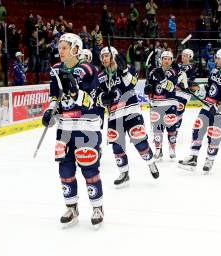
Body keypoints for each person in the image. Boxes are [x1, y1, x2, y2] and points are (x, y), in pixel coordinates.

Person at [41, 33, 104, 229]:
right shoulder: (56, 70)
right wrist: (50, 110)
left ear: (75, 49)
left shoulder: (87, 69)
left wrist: (76, 94)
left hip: (87, 126)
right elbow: (55, 96)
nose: (60, 51)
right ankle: (71, 208)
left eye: (64, 47)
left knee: (89, 168)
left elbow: (91, 101)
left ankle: (97, 208)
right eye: (59, 48)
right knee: (65, 170)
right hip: (65, 128)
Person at [96, 46, 159, 187]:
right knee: (117, 147)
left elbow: (132, 84)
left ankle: (150, 162)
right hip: (114, 115)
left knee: (140, 142)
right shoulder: (100, 75)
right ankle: (124, 173)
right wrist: (102, 98)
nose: (104, 58)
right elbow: (96, 95)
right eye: (102, 56)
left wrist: (124, 71)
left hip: (131, 110)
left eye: (107, 55)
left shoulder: (127, 67)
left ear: (114, 56)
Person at [178, 48, 221, 173]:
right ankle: (193, 156)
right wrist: (194, 87)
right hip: (207, 106)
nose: (215, 60)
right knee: (198, 128)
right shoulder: (214, 71)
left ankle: (210, 159)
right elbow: (209, 88)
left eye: (218, 58)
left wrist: (220, 107)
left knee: (214, 134)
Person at [145, 50, 178, 161]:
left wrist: (163, 80)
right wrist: (148, 89)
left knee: (171, 128)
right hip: (156, 103)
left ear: (171, 60)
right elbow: (149, 85)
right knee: (157, 130)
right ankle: (158, 150)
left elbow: (171, 87)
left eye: (169, 59)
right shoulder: (153, 71)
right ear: (161, 60)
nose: (167, 61)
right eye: (165, 58)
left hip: (170, 103)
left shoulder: (173, 72)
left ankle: (172, 148)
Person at [174, 49, 199, 139]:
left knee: (179, 110)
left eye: (186, 55)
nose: (183, 57)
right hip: (175, 91)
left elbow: (189, 79)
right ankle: (171, 127)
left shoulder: (192, 66)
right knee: (172, 110)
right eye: (183, 55)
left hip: (184, 93)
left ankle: (176, 130)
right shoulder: (178, 65)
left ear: (190, 57)